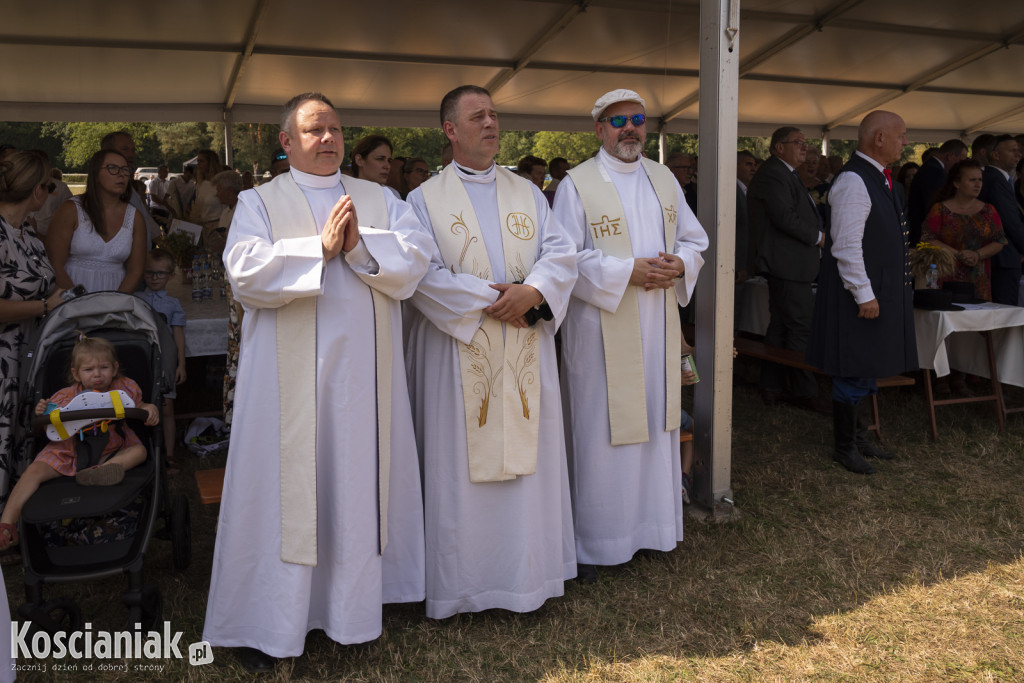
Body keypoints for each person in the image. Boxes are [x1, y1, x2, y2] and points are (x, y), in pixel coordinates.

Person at [202, 92, 430, 671]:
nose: (327, 138)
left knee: (353, 482)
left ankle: (353, 609)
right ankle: (269, 620)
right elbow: (244, 274)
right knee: (283, 493)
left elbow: (415, 263)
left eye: (334, 129)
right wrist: (319, 250)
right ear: (287, 142)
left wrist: (359, 247)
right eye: (313, 129)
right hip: (284, 388)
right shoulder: (258, 201)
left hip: (362, 381)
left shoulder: (380, 198)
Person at [404, 84, 578, 619]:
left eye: (494, 114)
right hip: (459, 350)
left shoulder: (528, 192)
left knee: (529, 461)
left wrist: (535, 292)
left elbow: (562, 251)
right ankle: (462, 587)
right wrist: (491, 299)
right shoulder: (422, 200)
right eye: (477, 116)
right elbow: (419, 274)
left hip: (524, 338)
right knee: (460, 465)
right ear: (450, 130)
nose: (491, 123)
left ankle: (529, 576)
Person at [552, 88, 707, 581]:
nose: (630, 128)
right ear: (599, 129)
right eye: (618, 121)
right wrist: (627, 273)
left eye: (637, 119)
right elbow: (562, 257)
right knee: (603, 428)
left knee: (655, 420)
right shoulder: (578, 184)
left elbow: (694, 238)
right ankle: (599, 541)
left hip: (657, 324)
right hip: (601, 329)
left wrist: (681, 262)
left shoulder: (663, 178)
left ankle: (654, 529)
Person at [806, 110, 917, 475]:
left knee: (867, 366)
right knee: (852, 368)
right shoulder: (854, 180)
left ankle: (860, 438)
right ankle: (844, 446)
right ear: (879, 138)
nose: (906, 142)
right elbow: (846, 246)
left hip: (876, 291)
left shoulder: (878, 178)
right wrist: (864, 294)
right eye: (901, 136)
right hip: (859, 295)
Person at [0, 334, 159, 552]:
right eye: (89, 370)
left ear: (114, 368)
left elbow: (139, 404)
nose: (97, 375)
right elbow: (49, 425)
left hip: (111, 446)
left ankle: (103, 471)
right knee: (34, 470)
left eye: (103, 368)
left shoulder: (124, 387)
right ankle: (7, 523)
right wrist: (42, 411)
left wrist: (150, 408)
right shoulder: (65, 396)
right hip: (69, 448)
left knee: (139, 450)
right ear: (76, 374)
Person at [0, 150, 65, 525]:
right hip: (3, 356)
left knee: (24, 433)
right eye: (50, 186)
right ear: (38, 190)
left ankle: (16, 521)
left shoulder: (26, 233)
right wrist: (43, 307)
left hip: (29, 354)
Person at [747, 126, 828, 413]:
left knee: (781, 327)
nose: (804, 148)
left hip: (791, 264)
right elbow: (784, 217)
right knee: (799, 327)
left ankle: (772, 386)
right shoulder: (773, 173)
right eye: (798, 143)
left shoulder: (785, 173)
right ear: (778, 147)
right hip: (787, 264)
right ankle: (804, 390)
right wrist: (818, 237)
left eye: (806, 143)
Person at [46, 149, 147, 293]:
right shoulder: (71, 210)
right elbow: (54, 263)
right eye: (112, 168)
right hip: (70, 297)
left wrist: (114, 304)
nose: (121, 174)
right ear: (96, 174)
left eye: (125, 169)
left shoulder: (135, 217)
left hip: (114, 302)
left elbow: (135, 271)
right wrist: (80, 302)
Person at [924, 159, 1005, 301]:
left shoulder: (989, 210)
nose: (978, 184)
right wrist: (958, 254)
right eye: (972, 180)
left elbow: (1000, 241)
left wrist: (977, 255)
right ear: (957, 183)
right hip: (946, 278)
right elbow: (927, 239)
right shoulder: (940, 209)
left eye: (980, 179)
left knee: (978, 320)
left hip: (979, 280)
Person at [135, 249, 187, 470]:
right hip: (142, 358)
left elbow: (178, 334)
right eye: (149, 273)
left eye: (160, 273)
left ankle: (169, 454)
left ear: (170, 275)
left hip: (165, 358)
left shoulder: (173, 304)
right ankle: (143, 452)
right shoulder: (135, 299)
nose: (154, 278)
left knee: (167, 407)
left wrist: (181, 363)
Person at [978, 135, 1024, 306]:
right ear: (996, 155)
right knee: (1004, 310)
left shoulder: (1001, 178)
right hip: (1002, 257)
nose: (1018, 154)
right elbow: (1010, 220)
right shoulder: (995, 179)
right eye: (1012, 151)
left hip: (1004, 256)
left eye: (1019, 151)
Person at [100, 131, 161, 247]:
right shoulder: (78, 206)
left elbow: (149, 226)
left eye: (133, 150)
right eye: (125, 149)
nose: (131, 155)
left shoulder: (131, 190)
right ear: (107, 152)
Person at [907, 139, 968, 245]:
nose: (961, 166)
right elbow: (935, 204)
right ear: (950, 156)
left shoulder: (932, 168)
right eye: (960, 161)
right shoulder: (934, 172)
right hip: (927, 236)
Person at [188, 149, 223, 246]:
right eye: (197, 161)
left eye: (201, 161)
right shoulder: (200, 184)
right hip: (201, 229)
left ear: (210, 162)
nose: (198, 164)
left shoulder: (220, 183)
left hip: (217, 229)